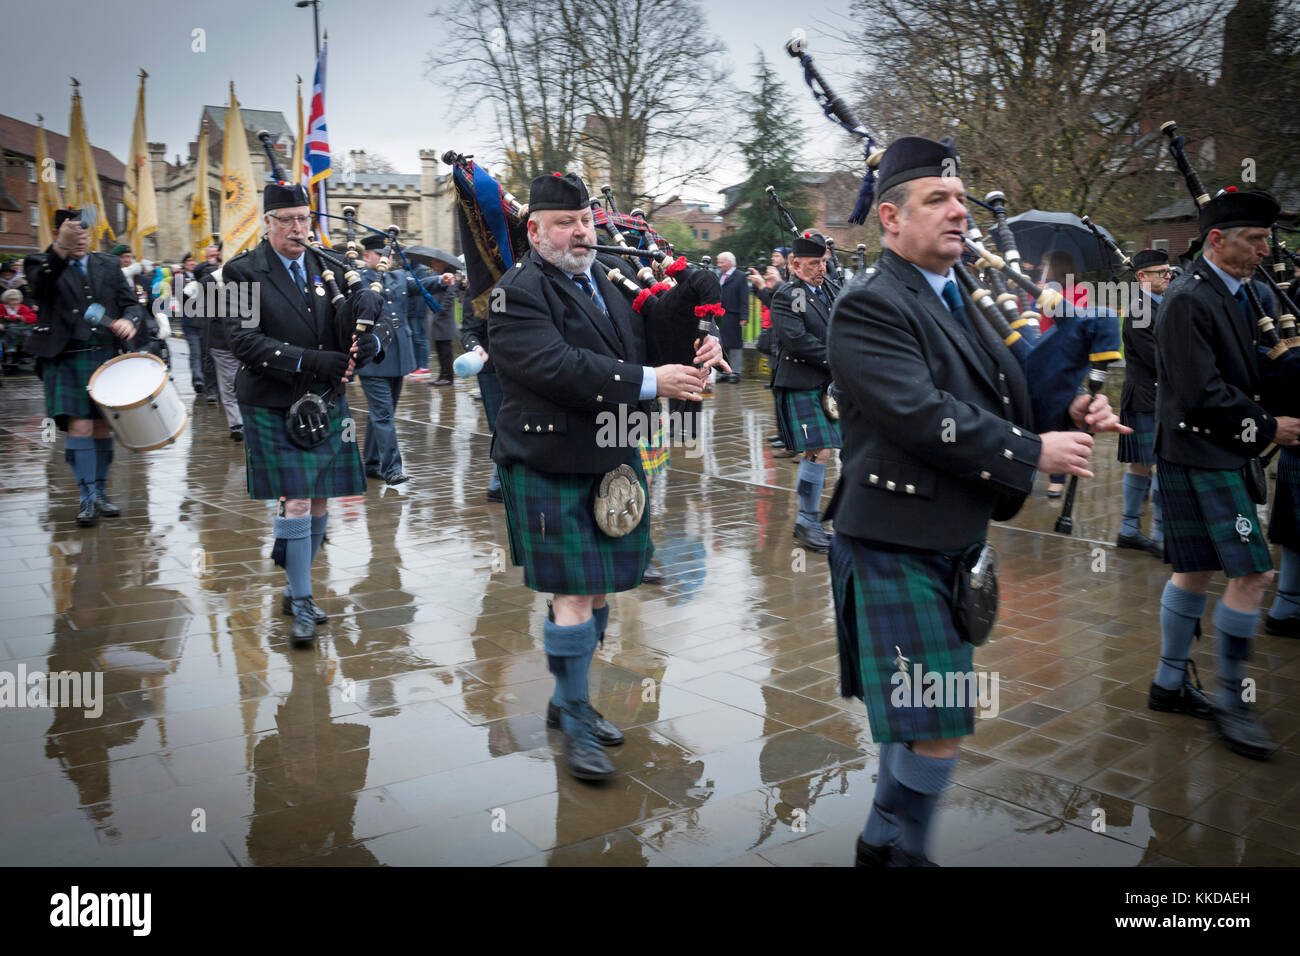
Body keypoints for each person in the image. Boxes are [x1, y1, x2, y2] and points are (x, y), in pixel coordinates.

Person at [825, 136, 1124, 866]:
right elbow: (923, 415)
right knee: (939, 719)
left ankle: (881, 840)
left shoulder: (961, 298)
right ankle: (907, 851)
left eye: (961, 199)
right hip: (893, 535)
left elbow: (1001, 392)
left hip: (950, 532)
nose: (960, 212)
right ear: (890, 219)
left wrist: (1065, 414)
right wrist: (1031, 455)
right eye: (939, 201)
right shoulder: (869, 306)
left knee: (921, 716)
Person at [489, 172, 723, 781]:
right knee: (571, 592)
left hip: (614, 455)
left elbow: (647, 337)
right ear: (534, 230)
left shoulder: (607, 285)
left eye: (587, 220)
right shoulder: (516, 292)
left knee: (595, 591)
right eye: (565, 222)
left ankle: (569, 700)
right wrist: (653, 382)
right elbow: (556, 366)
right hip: (553, 458)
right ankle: (573, 714)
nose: (581, 232)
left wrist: (703, 324)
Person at [1150, 188, 1299, 760]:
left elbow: (1248, 367)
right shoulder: (1189, 298)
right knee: (1254, 576)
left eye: (1266, 238)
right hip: (1202, 453)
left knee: (1195, 573)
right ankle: (1232, 702)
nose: (1265, 249)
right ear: (1217, 240)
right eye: (1255, 239)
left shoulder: (1242, 292)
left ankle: (1167, 685)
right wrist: (1269, 428)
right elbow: (1201, 393)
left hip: (1213, 452)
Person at [222, 183, 393, 643]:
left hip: (325, 399)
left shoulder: (329, 265)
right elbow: (243, 341)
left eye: (305, 219)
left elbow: (372, 319)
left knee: (319, 500)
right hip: (274, 399)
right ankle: (300, 596)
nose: (299, 229)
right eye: (288, 220)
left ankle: (294, 578)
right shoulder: (241, 271)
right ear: (269, 223)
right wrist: (313, 359)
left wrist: (372, 341)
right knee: (297, 499)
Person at [27, 209, 147, 526]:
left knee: (102, 426)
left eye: (84, 233)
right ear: (57, 234)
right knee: (79, 426)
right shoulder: (41, 263)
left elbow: (130, 303)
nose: (81, 239)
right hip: (67, 357)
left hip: (105, 356)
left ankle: (101, 493)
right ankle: (86, 498)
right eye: (73, 234)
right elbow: (40, 288)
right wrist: (60, 251)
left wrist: (129, 321)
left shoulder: (107, 263)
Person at [771, 232, 841, 553]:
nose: (820, 269)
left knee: (830, 450)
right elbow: (796, 339)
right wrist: (838, 358)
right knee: (819, 450)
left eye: (823, 262)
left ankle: (825, 518)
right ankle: (806, 520)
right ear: (795, 264)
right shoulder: (788, 295)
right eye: (814, 264)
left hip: (828, 385)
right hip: (800, 380)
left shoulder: (828, 289)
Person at [354, 234, 443, 485]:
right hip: (373, 355)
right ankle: (392, 468)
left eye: (389, 255)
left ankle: (371, 463)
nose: (386, 259)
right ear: (367, 256)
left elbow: (421, 286)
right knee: (383, 415)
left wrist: (442, 279)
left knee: (383, 413)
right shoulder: (360, 280)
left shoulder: (399, 277)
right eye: (381, 255)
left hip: (399, 353)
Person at [1116, 248, 1171, 556]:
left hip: (1156, 397)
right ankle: (1157, 536)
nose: (1168, 276)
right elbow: (1157, 359)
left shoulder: (1162, 304)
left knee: (1146, 465)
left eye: (1169, 271)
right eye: (1162, 272)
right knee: (1157, 464)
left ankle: (1131, 530)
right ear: (1141, 277)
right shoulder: (1139, 309)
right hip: (1147, 398)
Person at [459, 282, 503, 502]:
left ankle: (500, 483)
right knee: (501, 426)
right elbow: (469, 332)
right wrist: (476, 348)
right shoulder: (477, 288)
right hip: (493, 368)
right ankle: (498, 484)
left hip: (525, 365)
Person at [175, 253, 206, 394]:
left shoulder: (203, 275)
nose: (192, 263)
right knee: (195, 351)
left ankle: (206, 377)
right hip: (190, 320)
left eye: (194, 260)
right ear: (184, 263)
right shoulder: (181, 278)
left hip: (204, 319)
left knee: (205, 351)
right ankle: (198, 379)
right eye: (189, 261)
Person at [716, 252, 749, 382]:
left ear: (730, 262)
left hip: (734, 315)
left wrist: (744, 316)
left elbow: (744, 297)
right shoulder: (720, 276)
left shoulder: (740, 276)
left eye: (721, 262)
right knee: (722, 344)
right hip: (721, 315)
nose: (718, 265)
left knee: (735, 345)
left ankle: (735, 372)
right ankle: (724, 371)